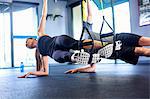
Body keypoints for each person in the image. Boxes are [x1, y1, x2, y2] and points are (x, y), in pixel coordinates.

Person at [18, 0, 150, 78]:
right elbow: (45, 72)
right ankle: (74, 57)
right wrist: (31, 72)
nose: (26, 43)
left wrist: (45, 1)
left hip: (115, 39)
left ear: (31, 38)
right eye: (26, 44)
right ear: (30, 47)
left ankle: (87, 49)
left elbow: (43, 15)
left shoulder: (40, 33)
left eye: (27, 41)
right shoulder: (42, 54)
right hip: (57, 53)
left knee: (75, 43)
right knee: (61, 56)